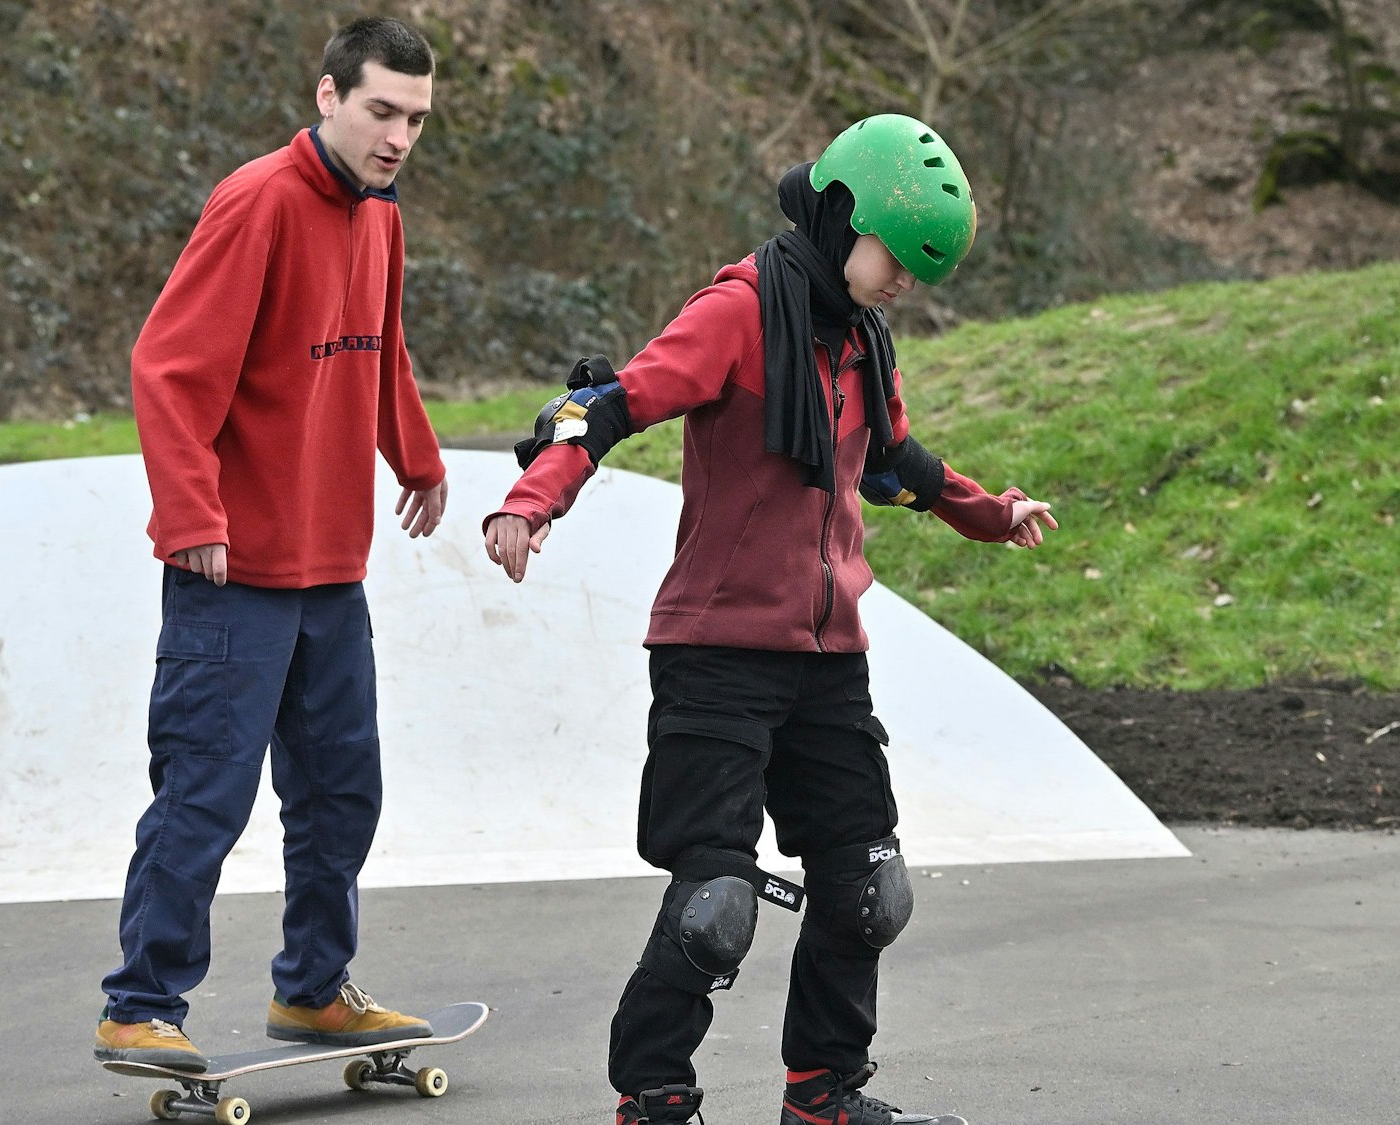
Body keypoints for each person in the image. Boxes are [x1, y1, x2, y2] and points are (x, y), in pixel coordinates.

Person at [482, 114, 1057, 1125]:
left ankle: (822, 1096)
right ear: (844, 220)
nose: (904, 287)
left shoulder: (856, 341)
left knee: (866, 886)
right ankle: (652, 1098)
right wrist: (532, 499)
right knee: (716, 907)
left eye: (923, 275)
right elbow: (606, 404)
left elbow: (891, 466)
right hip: (716, 654)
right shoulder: (738, 311)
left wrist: (989, 512)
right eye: (897, 260)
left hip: (828, 654)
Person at [94, 16, 450, 1072]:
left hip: (331, 569)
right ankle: (141, 1001)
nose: (396, 137)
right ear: (329, 95)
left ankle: (313, 992)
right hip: (232, 572)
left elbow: (380, 354)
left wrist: (416, 458)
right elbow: (169, 368)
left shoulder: (379, 219)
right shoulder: (256, 202)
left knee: (343, 792)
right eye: (381, 111)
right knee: (207, 789)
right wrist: (191, 516)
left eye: (416, 120)